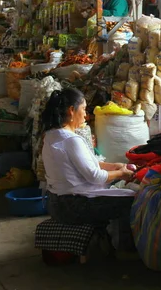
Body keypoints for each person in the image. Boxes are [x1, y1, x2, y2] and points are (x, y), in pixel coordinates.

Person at [41, 88, 136, 252]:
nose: (86, 115)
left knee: (120, 188)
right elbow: (95, 176)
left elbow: (85, 165)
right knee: (134, 200)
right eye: (83, 109)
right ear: (72, 110)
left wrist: (114, 166)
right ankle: (125, 250)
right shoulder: (71, 140)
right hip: (73, 206)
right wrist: (122, 173)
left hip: (56, 202)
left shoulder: (51, 135)